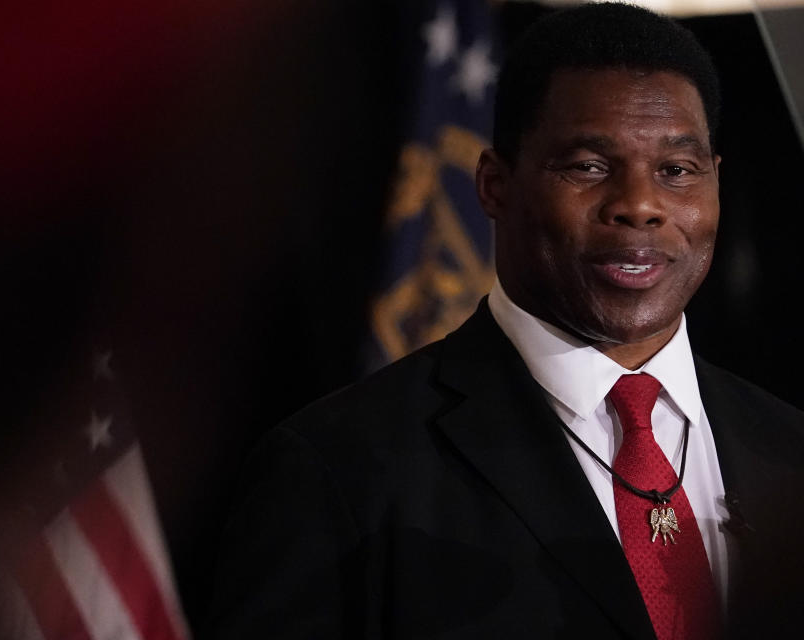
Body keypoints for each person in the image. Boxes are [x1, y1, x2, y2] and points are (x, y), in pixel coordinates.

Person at [207, 4, 804, 638]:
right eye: (588, 167)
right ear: (494, 185)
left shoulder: (791, 452)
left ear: (715, 184)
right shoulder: (338, 469)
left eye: (676, 171)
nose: (639, 206)